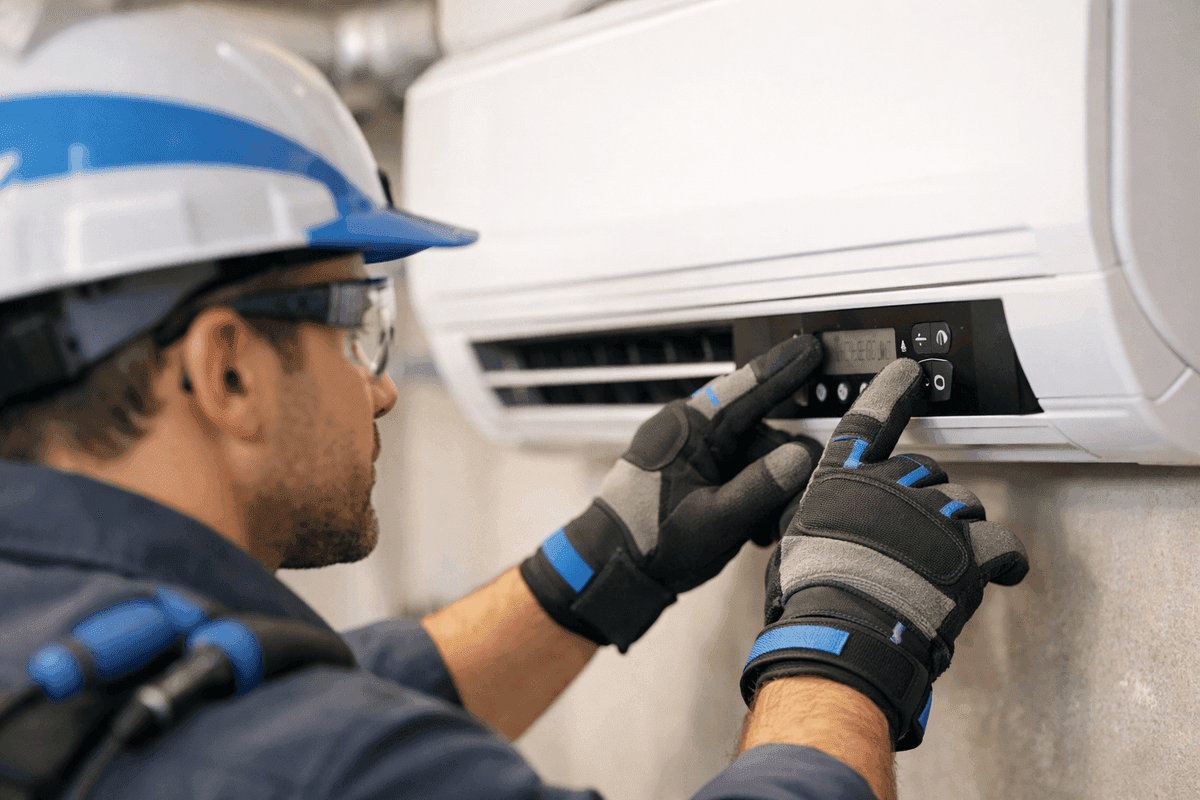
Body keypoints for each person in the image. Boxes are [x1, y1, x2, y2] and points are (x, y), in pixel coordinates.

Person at [0, 8, 1029, 800]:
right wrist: (842, 638)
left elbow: (284, 704)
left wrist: (595, 568)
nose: (382, 386)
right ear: (227, 370)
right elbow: (310, 751)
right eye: (357, 322)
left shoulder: (64, 649)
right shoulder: (290, 762)